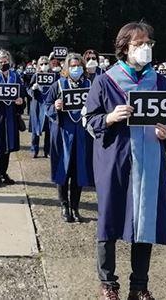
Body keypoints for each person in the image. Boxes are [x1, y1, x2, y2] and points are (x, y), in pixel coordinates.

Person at [84, 23, 166, 300]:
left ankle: (139, 285)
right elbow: (89, 120)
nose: (145, 48)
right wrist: (109, 118)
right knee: (110, 219)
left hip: (149, 159)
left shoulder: (159, 82)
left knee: (144, 221)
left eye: (148, 42)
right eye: (139, 44)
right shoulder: (105, 80)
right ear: (125, 48)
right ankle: (108, 283)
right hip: (115, 159)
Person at [45, 53, 94, 223]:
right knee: (63, 170)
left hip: (82, 134)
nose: (76, 69)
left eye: (78, 65)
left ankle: (75, 207)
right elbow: (46, 106)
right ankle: (64, 205)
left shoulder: (89, 85)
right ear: (67, 68)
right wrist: (55, 106)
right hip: (63, 132)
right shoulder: (58, 85)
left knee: (78, 170)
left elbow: (97, 105)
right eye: (72, 66)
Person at [0, 50, 26, 186]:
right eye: (0, 62)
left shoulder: (16, 76)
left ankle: (4, 173)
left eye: (5, 62)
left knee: (8, 144)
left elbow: (22, 94)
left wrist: (21, 101)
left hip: (10, 114)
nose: (3, 64)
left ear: (9, 62)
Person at [28, 56, 52, 158]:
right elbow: (28, 89)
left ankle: (48, 150)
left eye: (46, 63)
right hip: (37, 103)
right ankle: (34, 149)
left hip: (48, 103)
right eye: (41, 64)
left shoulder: (53, 76)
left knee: (49, 129)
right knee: (36, 128)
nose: (44, 66)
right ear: (38, 66)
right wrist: (33, 88)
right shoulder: (36, 76)